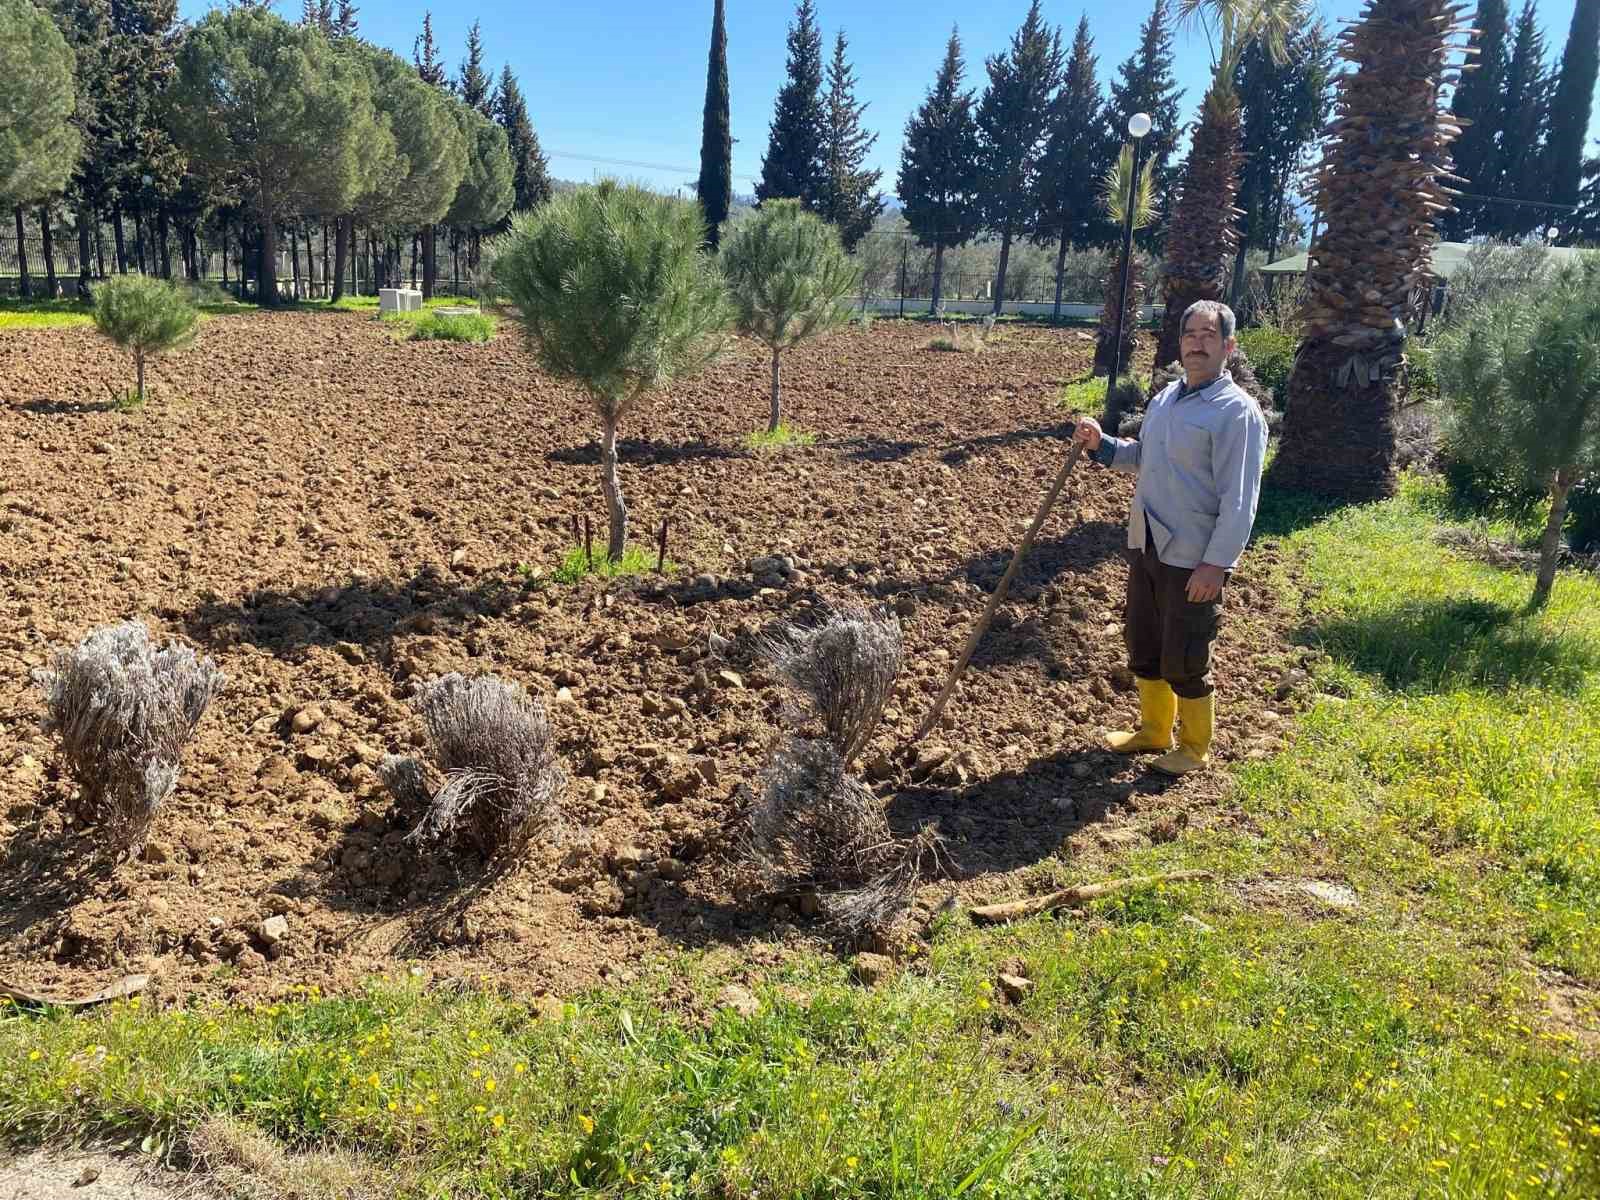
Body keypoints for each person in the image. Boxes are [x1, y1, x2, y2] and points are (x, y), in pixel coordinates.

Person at [1072, 300, 1267, 775]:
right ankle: (1155, 730)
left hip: (1193, 555)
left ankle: (1195, 748)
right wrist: (1103, 445)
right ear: (1180, 344)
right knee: (1144, 643)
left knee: (1186, 652)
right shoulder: (1165, 399)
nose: (1197, 344)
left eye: (1208, 336)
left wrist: (1216, 564)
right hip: (1148, 543)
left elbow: (1240, 498)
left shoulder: (1237, 413)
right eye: (1190, 335)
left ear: (1228, 346)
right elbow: (1146, 456)